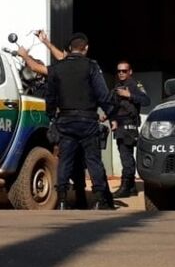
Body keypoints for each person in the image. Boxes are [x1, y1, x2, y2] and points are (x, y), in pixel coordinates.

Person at [16, 31, 88, 208]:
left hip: (61, 125)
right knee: (63, 161)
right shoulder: (30, 87)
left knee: (72, 160)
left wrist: (42, 45)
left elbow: (61, 60)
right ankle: (62, 199)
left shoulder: (55, 77)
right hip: (50, 128)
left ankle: (78, 199)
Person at [45, 32, 116, 210]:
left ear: (69, 49)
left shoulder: (56, 68)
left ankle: (61, 200)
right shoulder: (91, 66)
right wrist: (112, 115)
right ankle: (99, 199)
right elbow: (102, 94)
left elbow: (50, 97)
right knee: (93, 161)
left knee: (65, 161)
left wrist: (52, 116)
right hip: (87, 120)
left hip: (65, 120)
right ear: (85, 48)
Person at [109, 61, 151, 198]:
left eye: (124, 71)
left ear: (130, 72)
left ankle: (125, 187)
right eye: (119, 71)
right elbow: (114, 107)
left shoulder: (134, 85)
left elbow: (146, 101)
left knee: (126, 157)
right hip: (120, 127)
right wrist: (109, 118)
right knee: (125, 156)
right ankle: (131, 186)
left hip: (129, 125)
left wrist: (130, 95)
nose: (121, 73)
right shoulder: (118, 87)